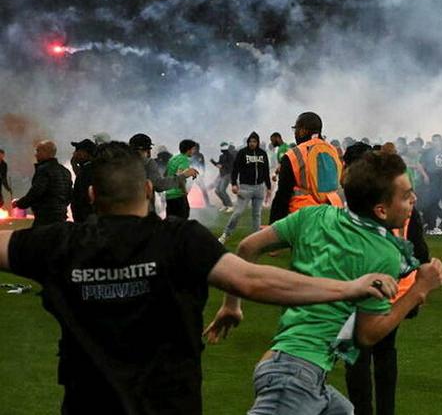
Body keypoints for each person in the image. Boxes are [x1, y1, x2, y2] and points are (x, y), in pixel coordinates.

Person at [0, 141, 400, 414]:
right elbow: (254, 280)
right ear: (146, 188)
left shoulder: (57, 244)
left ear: (91, 197)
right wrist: (348, 288)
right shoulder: (178, 239)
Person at [205, 151, 442, 415]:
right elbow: (367, 335)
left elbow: (247, 246)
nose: (414, 199)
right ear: (381, 209)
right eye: (406, 195)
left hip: (293, 370)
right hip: (295, 379)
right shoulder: (383, 253)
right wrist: (419, 290)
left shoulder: (314, 216)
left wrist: (231, 305)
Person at [342, 145, 431, 415]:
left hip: (360, 291)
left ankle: (363, 411)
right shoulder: (399, 205)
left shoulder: (349, 211)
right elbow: (419, 249)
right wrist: (419, 289)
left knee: (357, 354)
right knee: (385, 352)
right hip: (397, 292)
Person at [268, 112, 344, 225]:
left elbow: (282, 197)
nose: (295, 133)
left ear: (303, 130)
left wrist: (274, 227)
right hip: (332, 214)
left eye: (296, 129)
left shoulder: (294, 154)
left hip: (303, 218)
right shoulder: (333, 151)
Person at [218, 132, 271, 244]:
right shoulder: (242, 153)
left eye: (254, 141)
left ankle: (255, 239)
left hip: (259, 188)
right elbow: (235, 169)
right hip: (245, 188)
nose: (252, 143)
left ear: (258, 142)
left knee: (257, 215)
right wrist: (233, 184)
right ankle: (226, 234)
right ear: (248, 142)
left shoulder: (262, 153)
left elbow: (266, 171)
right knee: (238, 212)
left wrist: (269, 188)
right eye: (251, 141)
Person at [128, 133, 199, 214]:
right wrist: (183, 176)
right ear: (147, 149)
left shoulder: (121, 162)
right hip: (142, 213)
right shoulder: (148, 163)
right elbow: (159, 185)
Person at [13, 140, 72, 227]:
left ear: (46, 152)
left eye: (38, 151)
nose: (35, 154)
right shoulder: (65, 171)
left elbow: (36, 192)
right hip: (61, 216)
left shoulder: (44, 170)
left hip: (45, 217)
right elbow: (69, 194)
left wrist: (19, 203)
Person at [420, 134, 442, 235]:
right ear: (432, 141)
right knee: (431, 202)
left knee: (434, 202)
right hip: (430, 180)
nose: (436, 142)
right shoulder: (427, 152)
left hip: (439, 181)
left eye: (438, 140)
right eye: (435, 140)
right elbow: (421, 165)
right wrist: (425, 176)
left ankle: (431, 225)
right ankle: (432, 226)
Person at [164, 139, 198, 219]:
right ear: (189, 150)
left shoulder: (173, 158)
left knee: (170, 221)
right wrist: (184, 191)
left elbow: (165, 174)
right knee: (182, 219)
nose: (194, 151)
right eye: (193, 149)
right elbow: (180, 176)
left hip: (168, 194)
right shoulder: (184, 159)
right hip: (178, 195)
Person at [70, 139, 97, 223]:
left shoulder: (88, 170)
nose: (74, 153)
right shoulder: (90, 168)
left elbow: (82, 195)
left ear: (85, 153)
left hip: (86, 217)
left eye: (77, 150)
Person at [210, 141, 235, 212]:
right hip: (222, 175)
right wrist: (213, 162)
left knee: (222, 190)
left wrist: (222, 166)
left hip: (227, 175)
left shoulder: (230, 156)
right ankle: (225, 204)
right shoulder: (221, 156)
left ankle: (230, 205)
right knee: (217, 191)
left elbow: (230, 166)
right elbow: (219, 165)